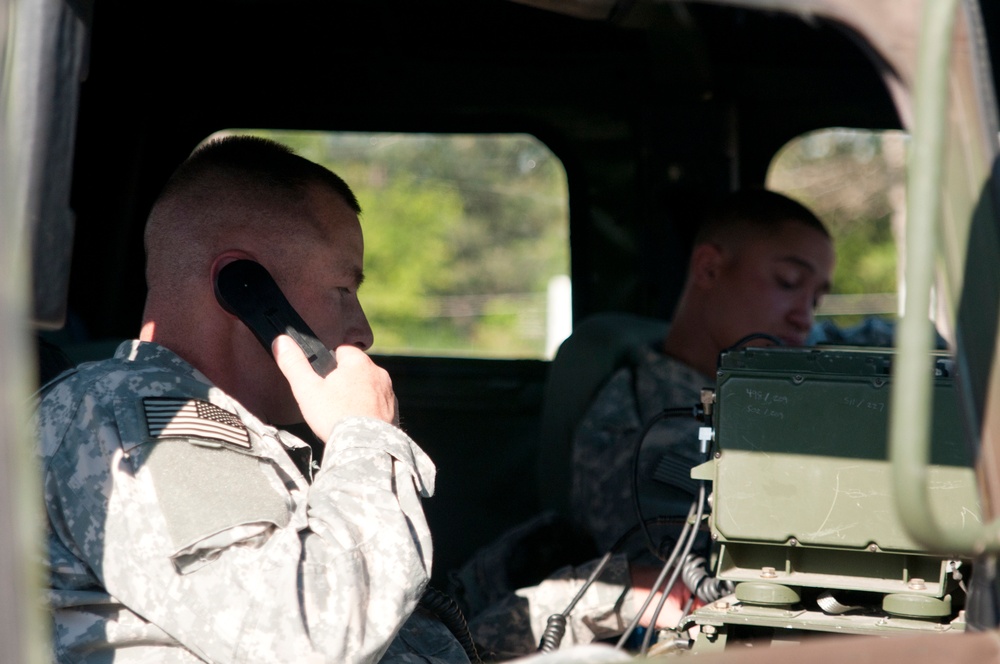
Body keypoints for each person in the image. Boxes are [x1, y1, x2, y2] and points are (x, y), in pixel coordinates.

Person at [36, 136, 470, 663]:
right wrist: (368, 437)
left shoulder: (214, 426)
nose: (364, 330)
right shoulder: (139, 422)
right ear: (243, 285)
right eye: (343, 289)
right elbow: (306, 639)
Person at [453, 188, 836, 658]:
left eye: (816, 297)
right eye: (787, 282)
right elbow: (694, 585)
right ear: (710, 268)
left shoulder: (757, 393)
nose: (806, 318)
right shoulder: (644, 428)